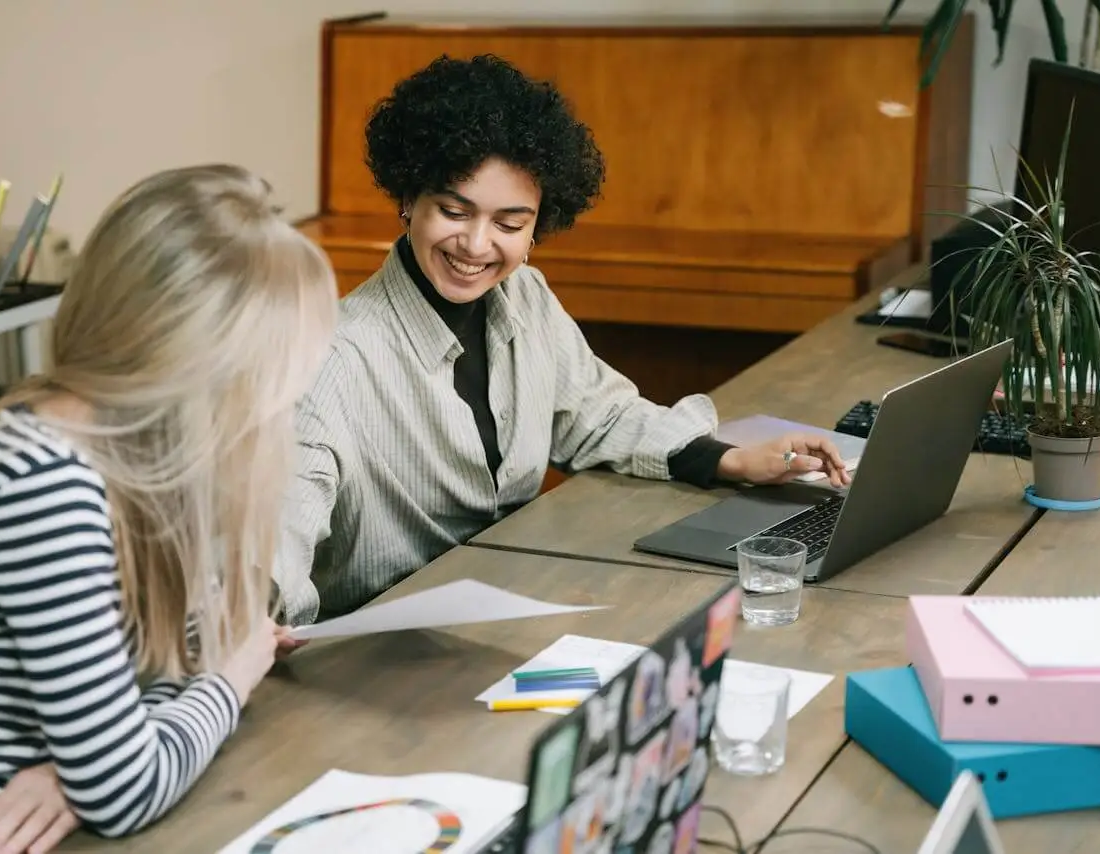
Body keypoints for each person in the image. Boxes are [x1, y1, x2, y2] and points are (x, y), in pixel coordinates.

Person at [0, 165, 338, 854]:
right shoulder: (42, 481)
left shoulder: (140, 455)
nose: (273, 412)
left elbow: (159, 705)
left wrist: (90, 769)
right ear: (198, 365)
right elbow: (133, 779)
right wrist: (234, 676)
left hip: (35, 816)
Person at [273, 55, 848, 633]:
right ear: (408, 200)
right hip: (384, 651)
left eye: (509, 223)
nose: (476, 244)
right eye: (453, 211)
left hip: (516, 613)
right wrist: (259, 640)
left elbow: (597, 414)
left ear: (537, 225)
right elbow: (280, 538)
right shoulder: (332, 357)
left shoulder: (527, 295)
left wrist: (732, 458)